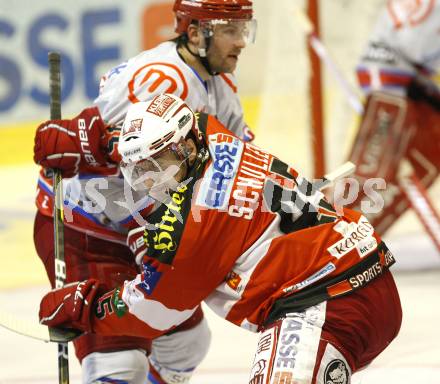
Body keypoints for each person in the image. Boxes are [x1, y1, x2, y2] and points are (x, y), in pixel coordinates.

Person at [39, 93, 402, 383]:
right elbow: (154, 136)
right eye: (140, 169)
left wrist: (85, 306)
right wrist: (99, 144)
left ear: (185, 148)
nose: (148, 180)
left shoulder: (194, 226)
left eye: (156, 165)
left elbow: (151, 312)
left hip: (326, 305)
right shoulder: (208, 130)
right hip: (363, 277)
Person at [33, 0, 257, 382]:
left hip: (137, 228)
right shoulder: (163, 79)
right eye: (230, 31)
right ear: (195, 32)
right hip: (87, 228)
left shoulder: (220, 87)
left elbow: (235, 165)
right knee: (121, 367)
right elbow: (108, 157)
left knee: (185, 344)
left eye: (244, 30)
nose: (241, 42)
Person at [347, 0, 440, 235]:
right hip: (390, 85)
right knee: (373, 173)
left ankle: (362, 234)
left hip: (406, 84)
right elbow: (413, 45)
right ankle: (339, 235)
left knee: (428, 161)